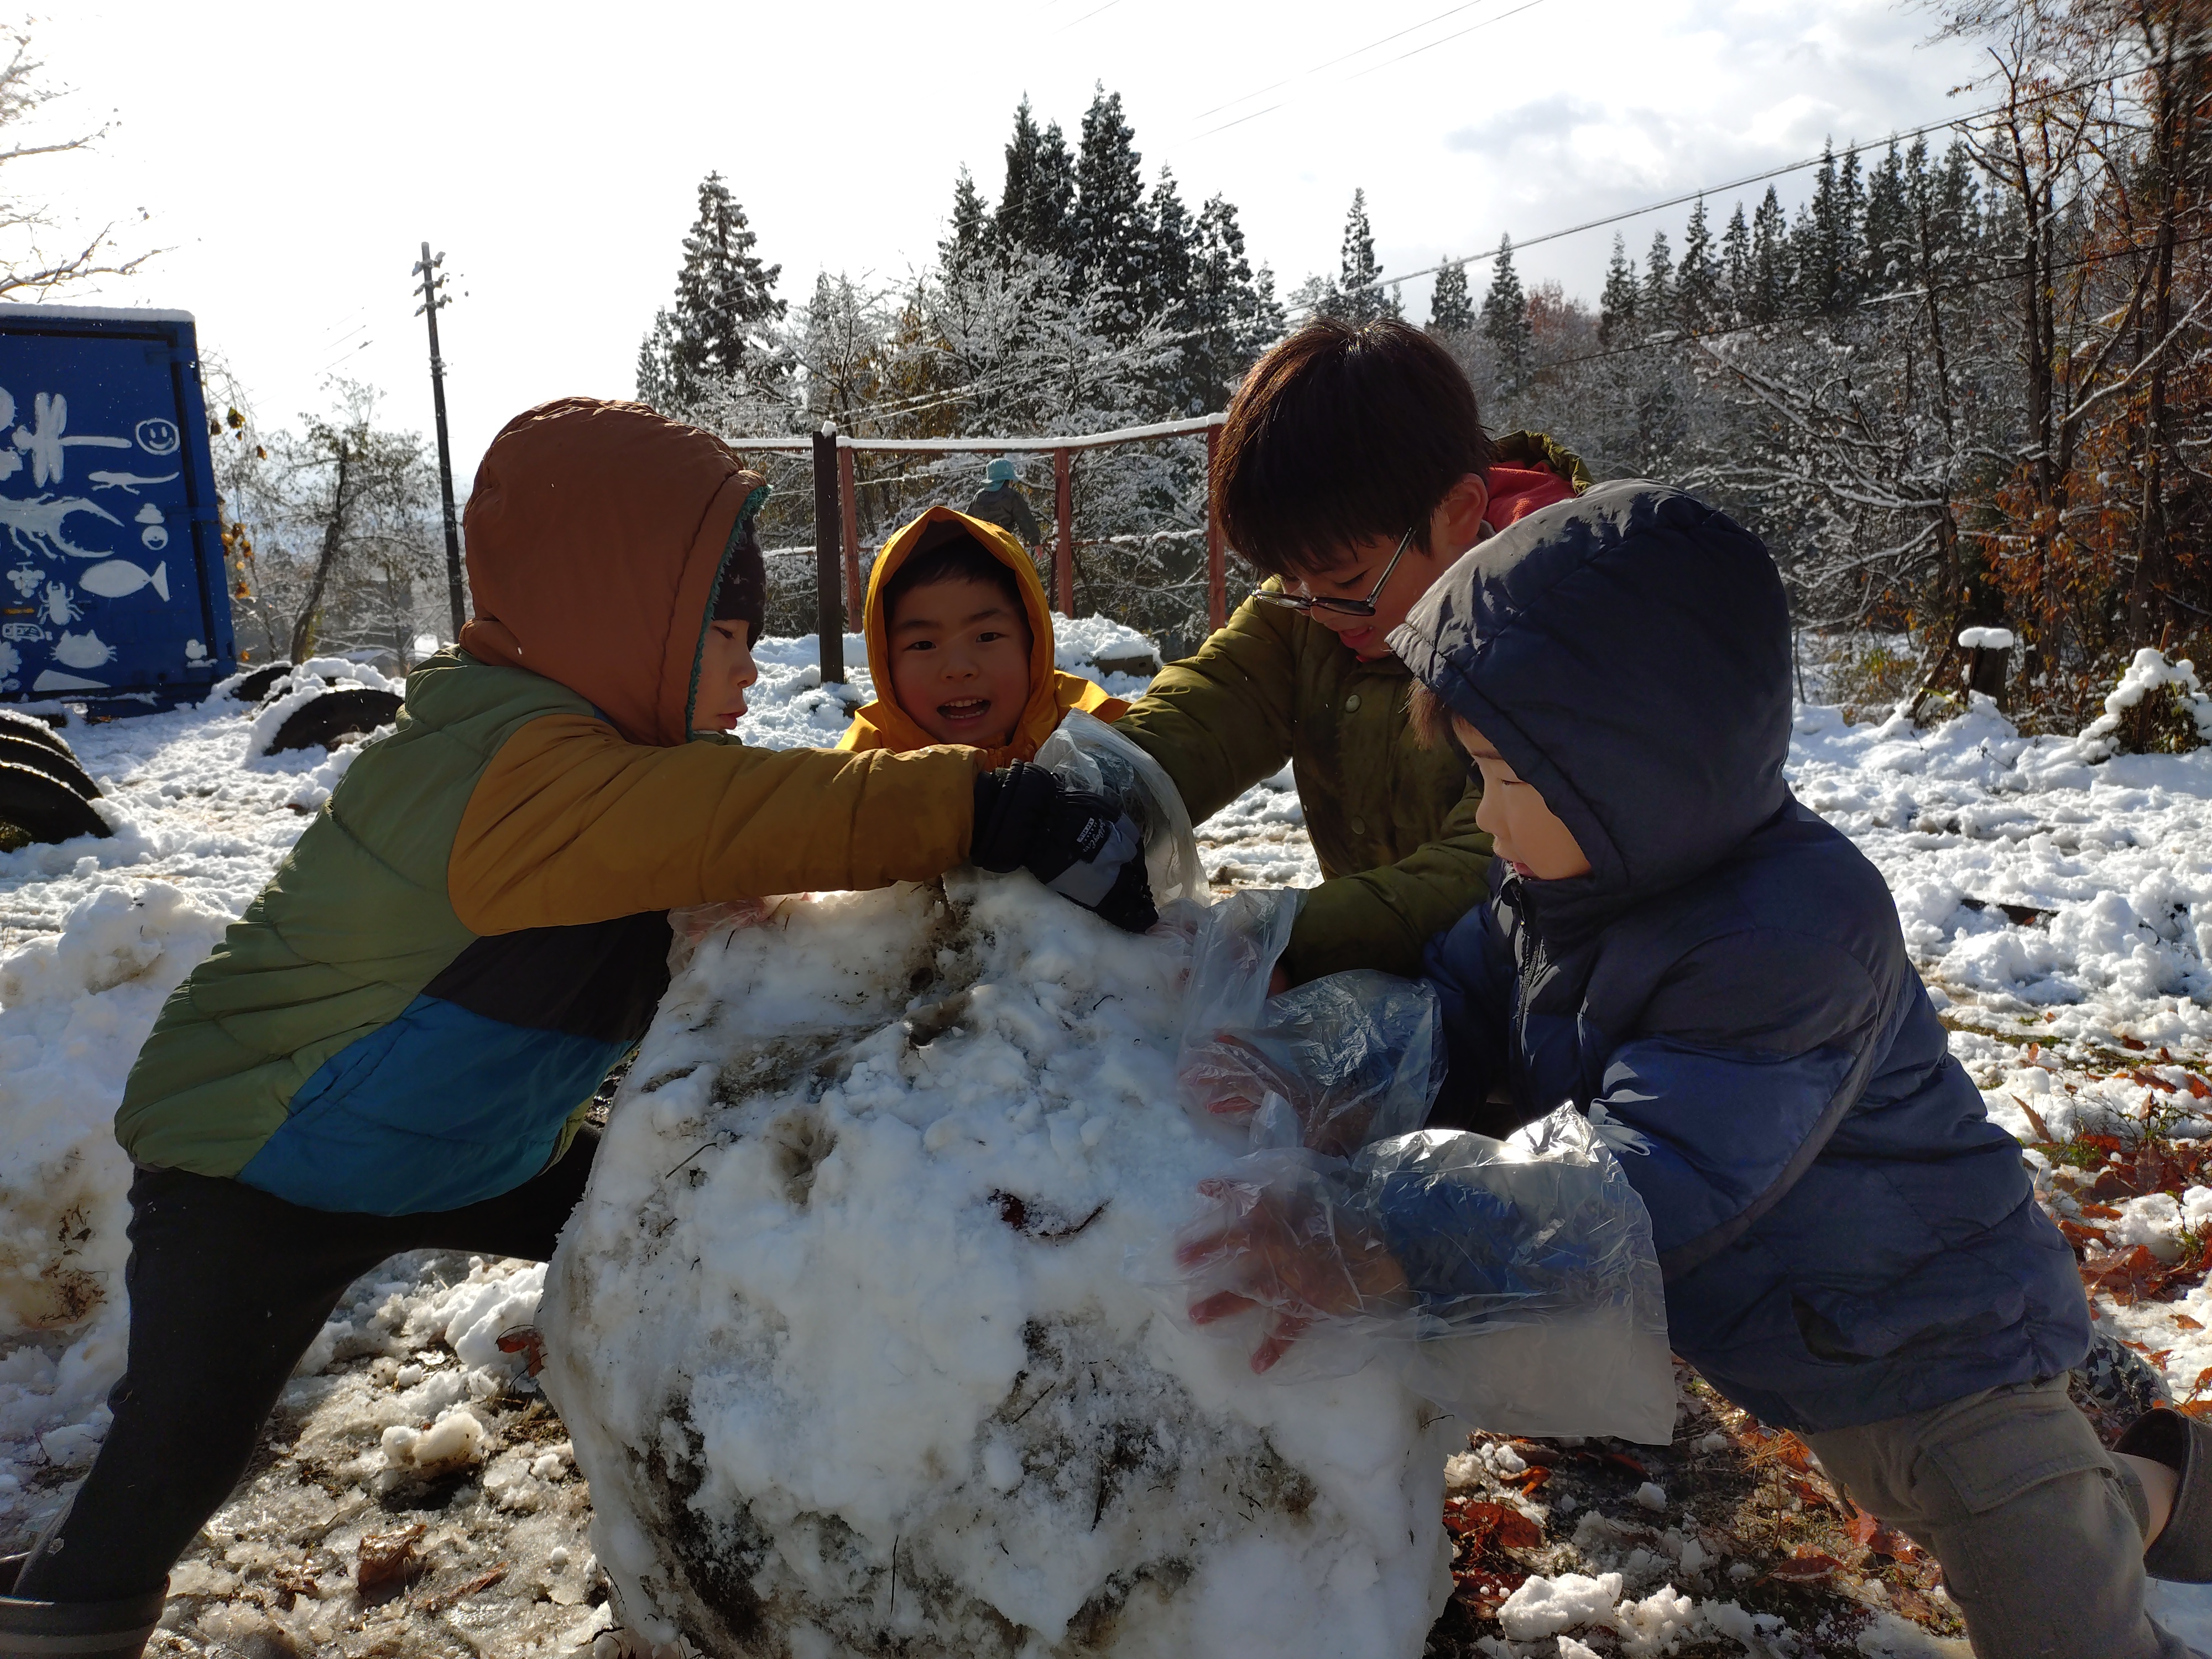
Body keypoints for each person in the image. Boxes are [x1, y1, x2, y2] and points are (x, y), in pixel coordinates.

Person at [0, 399, 1154, 1658]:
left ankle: (723, 1494)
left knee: (681, 1215)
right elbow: (736, 812)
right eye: (723, 637)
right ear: (628, 625)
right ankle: (59, 1621)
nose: (745, 672)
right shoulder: (509, 763)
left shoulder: (592, 761)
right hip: (255, 1164)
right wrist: (990, 808)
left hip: (453, 1147)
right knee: (166, 1473)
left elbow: (687, 860)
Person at [1179, 479, 2209, 1657]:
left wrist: (1384, 1229)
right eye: (1477, 778)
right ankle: (2152, 1486)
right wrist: (1330, 1070)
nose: (1488, 823)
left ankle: (2144, 1507)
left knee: (2041, 1591)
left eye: (1509, 781)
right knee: (1958, 1502)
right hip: (1807, 1343)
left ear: (1634, 773)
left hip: (1945, 1346)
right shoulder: (1559, 887)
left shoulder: (1793, 933)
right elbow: (1459, 1008)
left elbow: (1645, 1182)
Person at [1113, 316, 1587, 989]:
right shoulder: (1318, 595)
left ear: (1457, 513)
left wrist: (1289, 941)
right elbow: (1213, 705)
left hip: (1540, 997)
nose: (1317, 609)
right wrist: (1100, 794)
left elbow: (1492, 862)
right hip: (1393, 983)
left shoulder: (1555, 631)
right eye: (1288, 576)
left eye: (1346, 582)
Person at [839, 504, 1126, 763]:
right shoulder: (860, 776)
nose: (958, 669)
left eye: (986, 637)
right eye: (924, 645)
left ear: (1033, 645)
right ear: (886, 666)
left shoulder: (1097, 736)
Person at [963, 455, 1044, 549]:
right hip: (1001, 545)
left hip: (980, 545)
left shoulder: (979, 497)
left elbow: (967, 521)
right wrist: (1035, 541)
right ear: (1010, 481)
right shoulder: (1012, 496)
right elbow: (1025, 519)